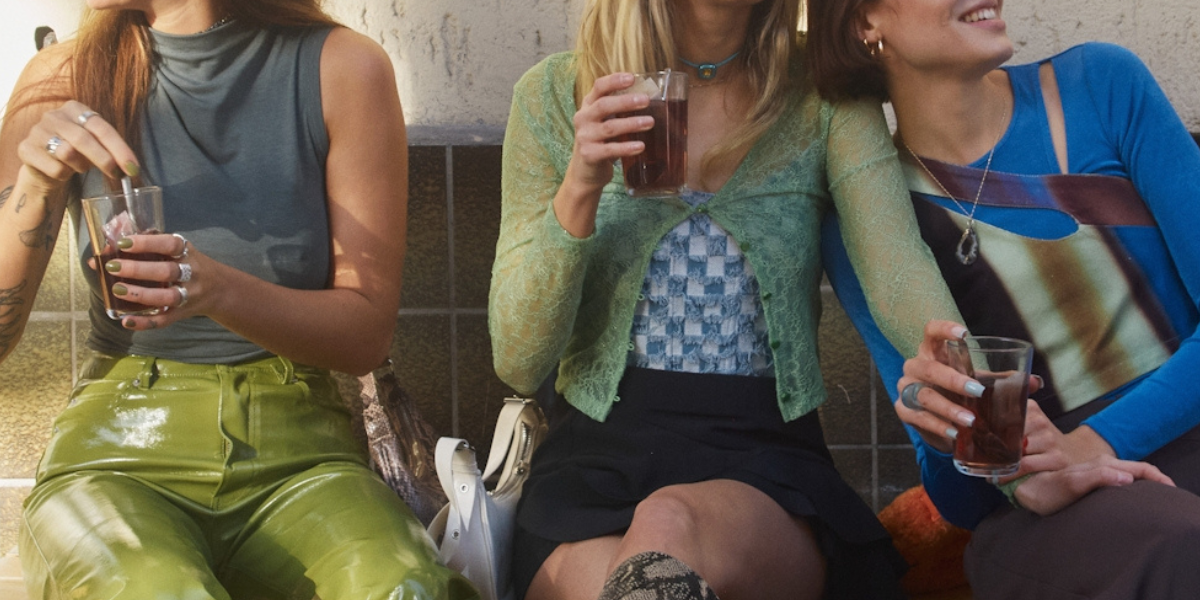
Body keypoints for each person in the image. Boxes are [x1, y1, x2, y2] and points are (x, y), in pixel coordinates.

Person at [488, 0, 966, 598]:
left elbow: (896, 262)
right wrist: (581, 183)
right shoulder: (556, 94)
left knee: (668, 524)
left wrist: (966, 369)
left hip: (762, 462)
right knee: (638, 578)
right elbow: (518, 358)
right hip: (593, 463)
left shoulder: (823, 95)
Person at [0, 2, 477, 599]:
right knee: (149, 589)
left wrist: (216, 289)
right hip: (115, 457)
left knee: (409, 588)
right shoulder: (60, 75)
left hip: (303, 456)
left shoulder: (343, 67)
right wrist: (37, 186)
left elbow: (365, 336)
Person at [807, 0, 1200, 596]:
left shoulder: (1100, 86)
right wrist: (947, 435)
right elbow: (963, 502)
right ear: (865, 23)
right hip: (1051, 517)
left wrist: (1089, 446)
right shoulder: (870, 227)